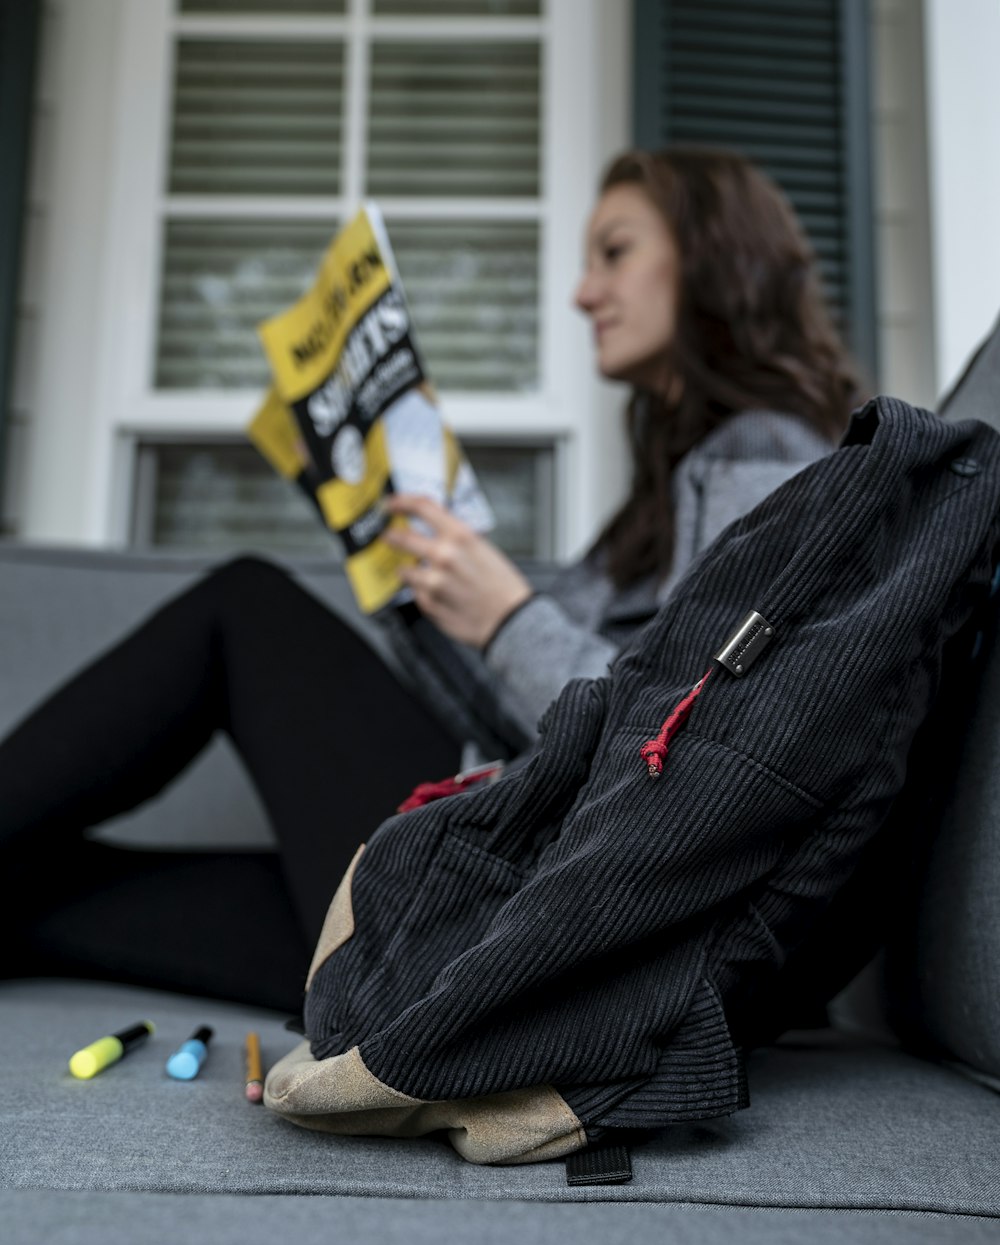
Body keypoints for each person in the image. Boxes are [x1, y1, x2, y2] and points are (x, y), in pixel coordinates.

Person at [0, 147, 862, 1013]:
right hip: (495, 883)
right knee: (40, 893)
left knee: (245, 605)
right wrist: (394, 556)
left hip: (532, 906)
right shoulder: (671, 488)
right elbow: (510, 717)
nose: (583, 292)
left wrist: (508, 617)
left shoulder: (766, 456)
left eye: (615, 251)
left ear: (714, 255)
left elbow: (697, 754)